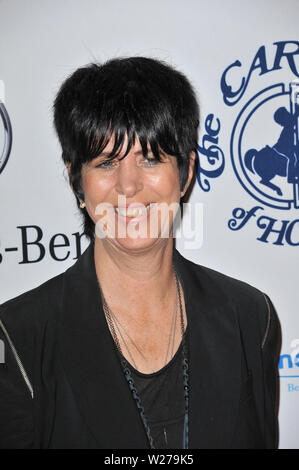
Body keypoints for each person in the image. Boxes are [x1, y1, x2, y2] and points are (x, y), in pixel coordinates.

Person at [0, 57, 280, 449]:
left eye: (150, 158)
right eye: (106, 162)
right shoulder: (18, 337)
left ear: (186, 172)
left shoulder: (251, 317)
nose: (128, 185)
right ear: (77, 181)